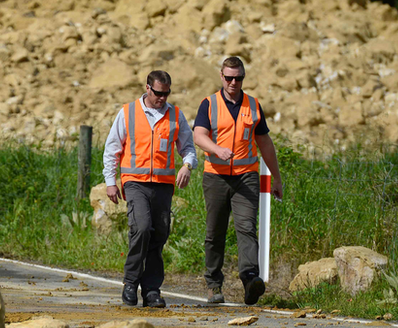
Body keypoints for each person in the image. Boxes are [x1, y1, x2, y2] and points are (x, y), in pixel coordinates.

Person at [193, 56, 284, 305]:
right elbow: (199, 135)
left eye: (239, 78)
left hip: (246, 177)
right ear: (221, 77)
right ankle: (213, 285)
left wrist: (276, 178)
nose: (234, 82)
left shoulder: (253, 106)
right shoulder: (209, 104)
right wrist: (216, 149)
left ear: (243, 78)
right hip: (216, 177)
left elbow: (264, 142)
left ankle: (250, 279)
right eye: (229, 77)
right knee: (215, 232)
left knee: (246, 228)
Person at [103, 70, 197, 308]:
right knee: (142, 228)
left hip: (163, 186)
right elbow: (112, 147)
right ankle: (131, 283)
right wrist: (110, 181)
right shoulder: (128, 113)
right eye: (158, 93)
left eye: (166, 93)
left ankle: (152, 290)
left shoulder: (175, 115)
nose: (162, 98)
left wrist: (187, 166)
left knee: (159, 235)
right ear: (147, 88)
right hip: (135, 182)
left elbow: (188, 148)